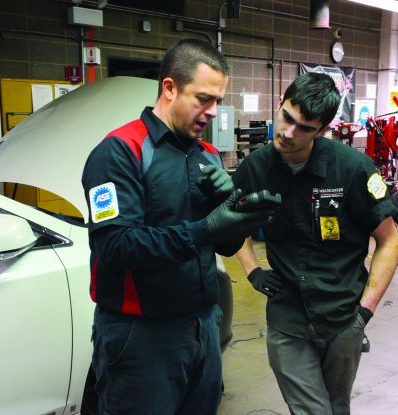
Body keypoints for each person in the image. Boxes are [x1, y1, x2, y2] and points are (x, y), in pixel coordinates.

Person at [81, 38, 270, 415]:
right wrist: (206, 227)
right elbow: (116, 247)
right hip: (141, 335)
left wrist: (238, 213)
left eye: (218, 100)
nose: (214, 111)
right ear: (169, 88)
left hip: (202, 325)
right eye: (204, 99)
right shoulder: (121, 151)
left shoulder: (209, 155)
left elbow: (227, 246)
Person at [233, 72, 398, 415]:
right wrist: (252, 271)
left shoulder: (352, 169)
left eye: (304, 128)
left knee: (337, 408)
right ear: (280, 102)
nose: (288, 133)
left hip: (342, 319)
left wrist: (364, 313)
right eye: (287, 118)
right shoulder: (254, 169)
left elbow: (388, 241)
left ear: (322, 131)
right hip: (287, 318)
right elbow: (231, 226)